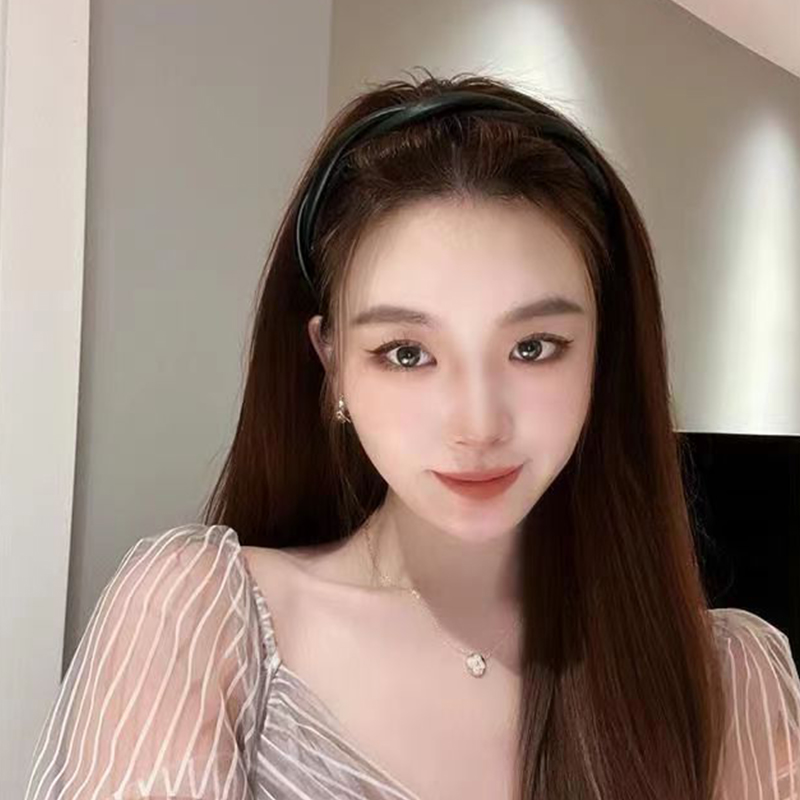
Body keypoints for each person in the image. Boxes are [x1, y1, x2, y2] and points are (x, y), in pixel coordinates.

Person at [23, 70, 800, 800]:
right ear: (332, 364)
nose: (477, 425)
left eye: (533, 348)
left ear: (604, 354)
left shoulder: (727, 681)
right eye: (406, 353)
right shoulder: (202, 621)